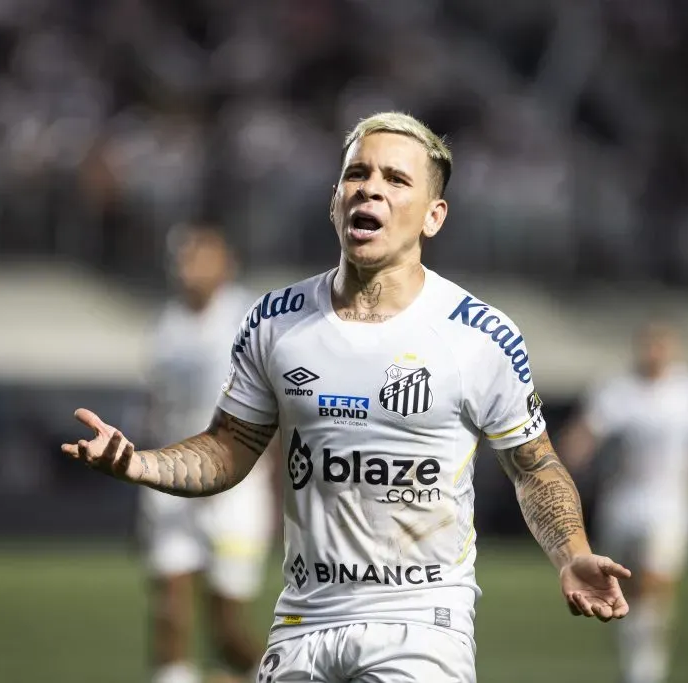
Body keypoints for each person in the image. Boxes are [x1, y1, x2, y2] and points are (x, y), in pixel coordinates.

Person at [63, 111, 630, 682]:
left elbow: (534, 467)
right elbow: (227, 449)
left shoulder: (480, 337)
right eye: (357, 173)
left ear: (434, 217)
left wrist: (572, 552)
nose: (371, 188)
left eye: (396, 179)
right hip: (302, 624)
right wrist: (140, 463)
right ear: (335, 198)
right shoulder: (274, 322)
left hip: (419, 627)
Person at [556, 321, 688, 683]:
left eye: (662, 345)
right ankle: (635, 662)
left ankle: (646, 673)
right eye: (649, 344)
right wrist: (557, 466)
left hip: (672, 504)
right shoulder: (617, 390)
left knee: (655, 583)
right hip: (623, 502)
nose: (654, 352)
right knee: (624, 593)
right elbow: (585, 436)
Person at [138, 224, 276, 683]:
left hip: (235, 486)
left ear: (225, 264)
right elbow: (157, 404)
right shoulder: (167, 325)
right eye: (183, 258)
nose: (188, 268)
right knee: (169, 606)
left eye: (200, 257)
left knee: (225, 627)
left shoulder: (250, 319)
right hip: (172, 479)